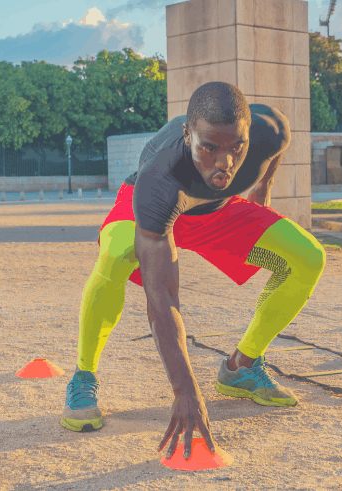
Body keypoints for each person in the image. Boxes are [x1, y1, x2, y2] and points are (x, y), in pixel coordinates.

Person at [60, 82, 326, 461]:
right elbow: (162, 297)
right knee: (116, 255)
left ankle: (241, 368)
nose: (226, 162)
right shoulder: (160, 175)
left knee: (308, 257)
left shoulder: (270, 131)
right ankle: (83, 376)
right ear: (187, 135)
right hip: (154, 208)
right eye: (209, 148)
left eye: (237, 147)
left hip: (216, 210)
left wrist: (263, 183)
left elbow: (274, 147)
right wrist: (185, 390)